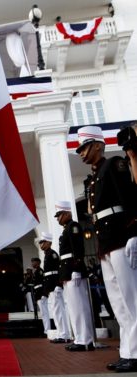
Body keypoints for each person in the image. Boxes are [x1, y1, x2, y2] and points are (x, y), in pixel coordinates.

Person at [77, 125, 137, 371]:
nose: (80, 153)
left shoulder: (113, 165)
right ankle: (128, 351)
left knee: (131, 297)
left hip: (121, 236)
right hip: (105, 242)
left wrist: (134, 232)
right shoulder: (93, 177)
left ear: (99, 145)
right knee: (117, 300)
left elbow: (131, 198)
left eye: (85, 147)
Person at [54, 200, 95, 352]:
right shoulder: (66, 229)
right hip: (67, 271)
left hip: (73, 270)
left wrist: (76, 269)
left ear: (67, 213)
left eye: (59, 215)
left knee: (80, 306)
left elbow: (78, 249)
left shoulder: (74, 226)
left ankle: (86, 340)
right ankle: (79, 338)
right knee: (73, 307)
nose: (58, 219)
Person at [39, 231, 71, 344]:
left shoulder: (52, 254)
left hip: (54, 286)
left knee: (59, 311)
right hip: (50, 287)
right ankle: (62, 333)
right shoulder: (47, 254)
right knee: (56, 311)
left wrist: (58, 285)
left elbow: (58, 270)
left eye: (42, 242)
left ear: (48, 242)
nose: (41, 244)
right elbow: (47, 275)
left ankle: (64, 335)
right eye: (40, 242)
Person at [31, 256, 50, 335]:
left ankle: (47, 330)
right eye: (32, 262)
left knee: (45, 313)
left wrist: (44, 294)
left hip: (41, 294)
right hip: (38, 294)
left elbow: (43, 283)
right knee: (43, 313)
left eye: (34, 262)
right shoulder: (35, 272)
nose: (32, 263)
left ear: (38, 263)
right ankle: (46, 330)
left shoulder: (40, 271)